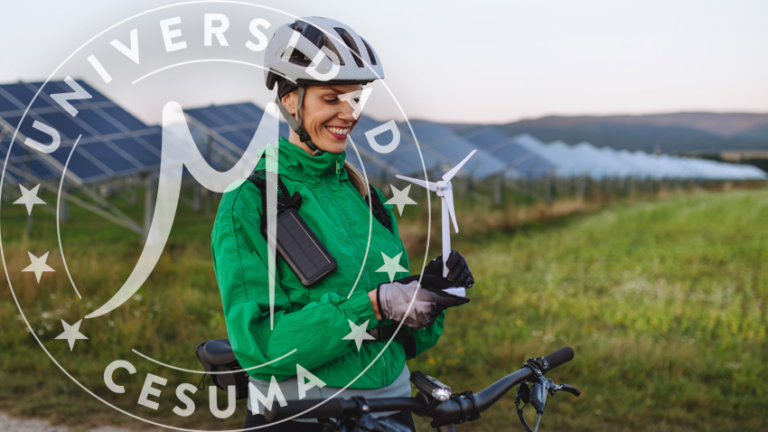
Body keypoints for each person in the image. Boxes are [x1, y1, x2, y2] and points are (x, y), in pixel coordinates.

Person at [210, 17, 475, 431]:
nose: (348, 113)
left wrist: (428, 294)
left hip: (393, 408)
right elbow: (260, 345)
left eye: (354, 99)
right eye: (332, 98)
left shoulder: (364, 196)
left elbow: (405, 342)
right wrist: (374, 303)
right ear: (290, 101)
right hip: (307, 415)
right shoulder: (250, 202)